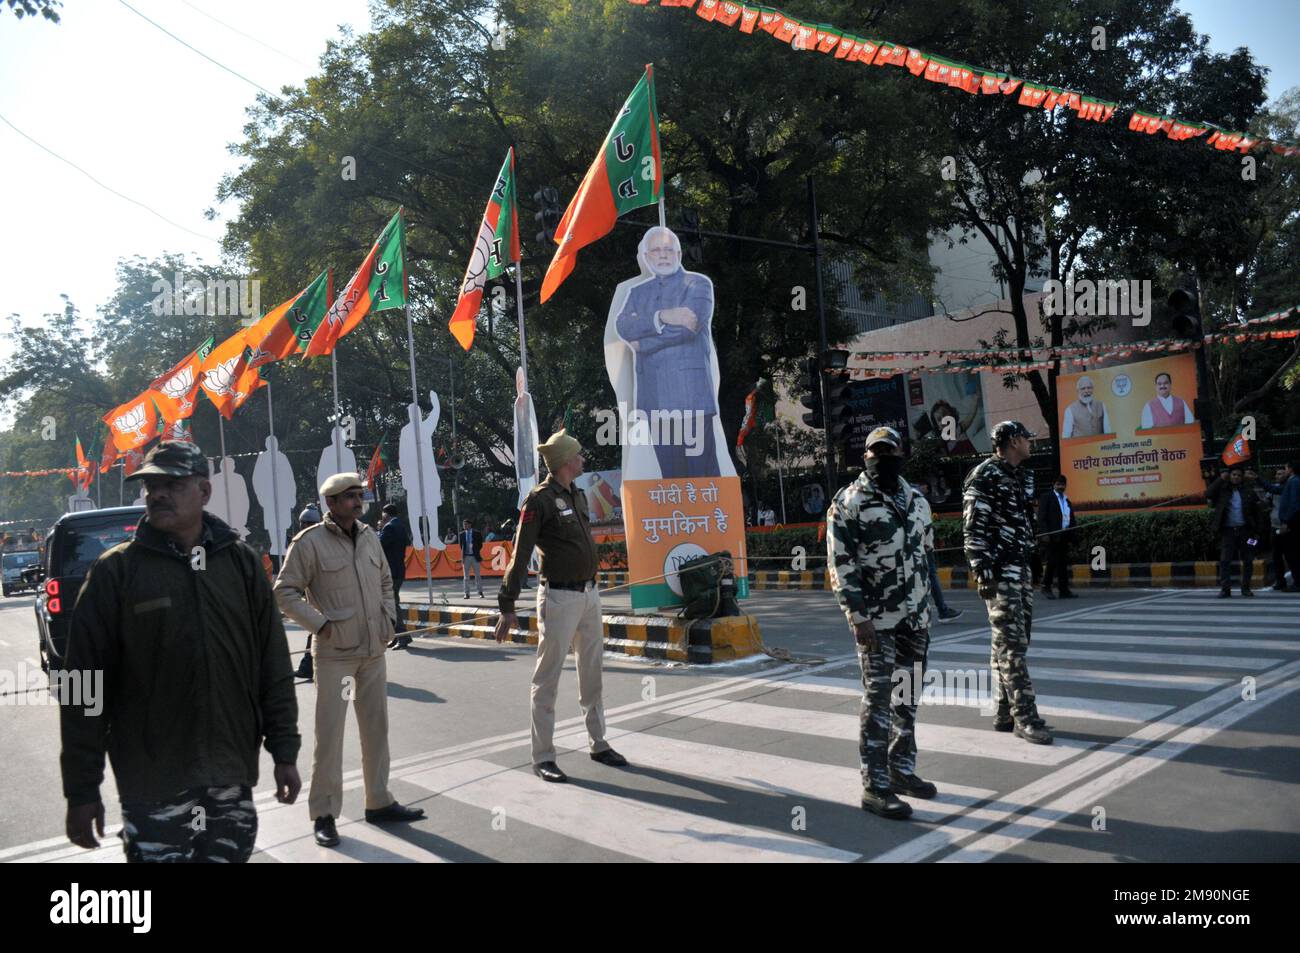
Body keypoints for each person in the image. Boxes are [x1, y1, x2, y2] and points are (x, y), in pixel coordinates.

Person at [60, 441, 301, 862]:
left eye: (172, 484)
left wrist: (285, 751)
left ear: (204, 492)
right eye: (151, 485)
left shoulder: (241, 565)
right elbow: (82, 689)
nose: (157, 494)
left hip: (229, 776)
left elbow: (273, 665)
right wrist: (82, 790)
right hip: (153, 783)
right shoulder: (116, 572)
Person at [275, 472, 424, 848]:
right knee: (330, 737)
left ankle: (379, 800)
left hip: (373, 651)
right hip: (335, 656)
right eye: (349, 497)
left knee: (377, 731)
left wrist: (389, 618)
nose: (358, 502)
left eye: (359, 495)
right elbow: (284, 592)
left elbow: (386, 581)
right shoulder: (309, 543)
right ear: (331, 503)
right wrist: (321, 626)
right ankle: (324, 814)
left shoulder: (371, 536)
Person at [493, 430, 627, 783]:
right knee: (547, 677)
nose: (584, 460)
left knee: (592, 672)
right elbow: (521, 553)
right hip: (558, 598)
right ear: (566, 461)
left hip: (589, 595)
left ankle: (598, 742)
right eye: (579, 456)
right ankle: (543, 756)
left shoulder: (579, 495)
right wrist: (507, 603)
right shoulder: (539, 501)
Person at [828, 426, 937, 821]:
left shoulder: (917, 500)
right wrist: (858, 617)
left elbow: (926, 555)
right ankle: (875, 786)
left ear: (900, 453)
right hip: (876, 622)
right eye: (875, 452)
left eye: (889, 450)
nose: (882, 457)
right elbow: (841, 565)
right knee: (878, 701)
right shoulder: (849, 502)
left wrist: (930, 604)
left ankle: (901, 769)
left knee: (906, 700)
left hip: (915, 619)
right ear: (865, 458)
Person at [964, 420, 1052, 744]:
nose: (1031, 443)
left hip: (1020, 570)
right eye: (1027, 437)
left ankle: (1003, 711)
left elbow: (1022, 523)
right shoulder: (985, 475)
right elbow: (974, 529)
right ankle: (1025, 717)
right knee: (1012, 645)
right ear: (1014, 441)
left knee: (1010, 642)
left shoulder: (1020, 476)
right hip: (1000, 575)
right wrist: (982, 572)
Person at [614, 227, 721, 479]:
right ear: (647, 257)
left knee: (702, 479)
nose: (663, 255)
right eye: (656, 250)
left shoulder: (698, 284)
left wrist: (644, 344)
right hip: (656, 399)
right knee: (671, 479)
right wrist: (662, 316)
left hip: (691, 397)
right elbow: (623, 326)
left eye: (668, 249)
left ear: (679, 253)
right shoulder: (637, 293)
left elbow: (688, 330)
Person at [1207, 467, 1268, 597]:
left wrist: (1257, 531)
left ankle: (1245, 588)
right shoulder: (1223, 490)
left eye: (1238, 475)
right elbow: (1208, 494)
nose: (1235, 477)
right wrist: (1220, 479)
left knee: (1248, 559)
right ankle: (1225, 589)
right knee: (1225, 560)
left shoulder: (1248, 491)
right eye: (1233, 474)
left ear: (1242, 477)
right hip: (1227, 532)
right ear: (1230, 476)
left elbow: (1258, 512)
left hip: (1246, 532)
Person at [914, 486, 962, 622]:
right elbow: (927, 525)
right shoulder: (918, 498)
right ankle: (942, 610)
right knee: (931, 576)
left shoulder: (897, 496)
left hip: (907, 548)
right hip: (923, 545)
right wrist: (929, 546)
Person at [293, 504, 323, 681]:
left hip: (318, 597)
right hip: (320, 596)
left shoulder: (303, 543)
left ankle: (307, 667)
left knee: (316, 631)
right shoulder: (325, 540)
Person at [1037, 474, 1078, 599]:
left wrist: (1073, 536)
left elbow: (1071, 519)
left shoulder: (1067, 501)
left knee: (1063, 563)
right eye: (1058, 484)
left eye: (1063, 484)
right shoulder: (1047, 497)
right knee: (1052, 562)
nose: (1061, 487)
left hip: (1064, 536)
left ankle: (1063, 590)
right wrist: (1044, 533)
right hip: (1051, 536)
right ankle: (1046, 587)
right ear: (1054, 485)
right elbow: (1041, 517)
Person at [380, 502, 414, 649]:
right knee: (391, 603)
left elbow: (378, 546)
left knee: (392, 605)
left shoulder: (389, 527)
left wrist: (380, 529)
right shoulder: (401, 526)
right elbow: (408, 542)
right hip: (399, 569)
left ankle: (402, 636)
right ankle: (395, 636)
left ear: (386, 514)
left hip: (390, 571)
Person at [1278, 461, 1300, 591]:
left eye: (1285, 468)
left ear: (1290, 469)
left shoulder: (1294, 482)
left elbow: (1294, 505)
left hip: (1292, 525)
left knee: (1293, 554)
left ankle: (1297, 582)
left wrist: (1286, 522)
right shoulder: (1292, 482)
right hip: (1292, 524)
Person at [459, 518, 485, 599]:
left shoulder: (477, 533)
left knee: (477, 575)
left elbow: (480, 544)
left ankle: (480, 592)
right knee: (466, 577)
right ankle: (467, 593)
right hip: (466, 557)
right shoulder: (461, 534)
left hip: (474, 556)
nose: (464, 526)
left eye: (466, 524)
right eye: (463, 524)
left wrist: (476, 551)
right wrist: (463, 555)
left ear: (470, 524)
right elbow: (461, 546)